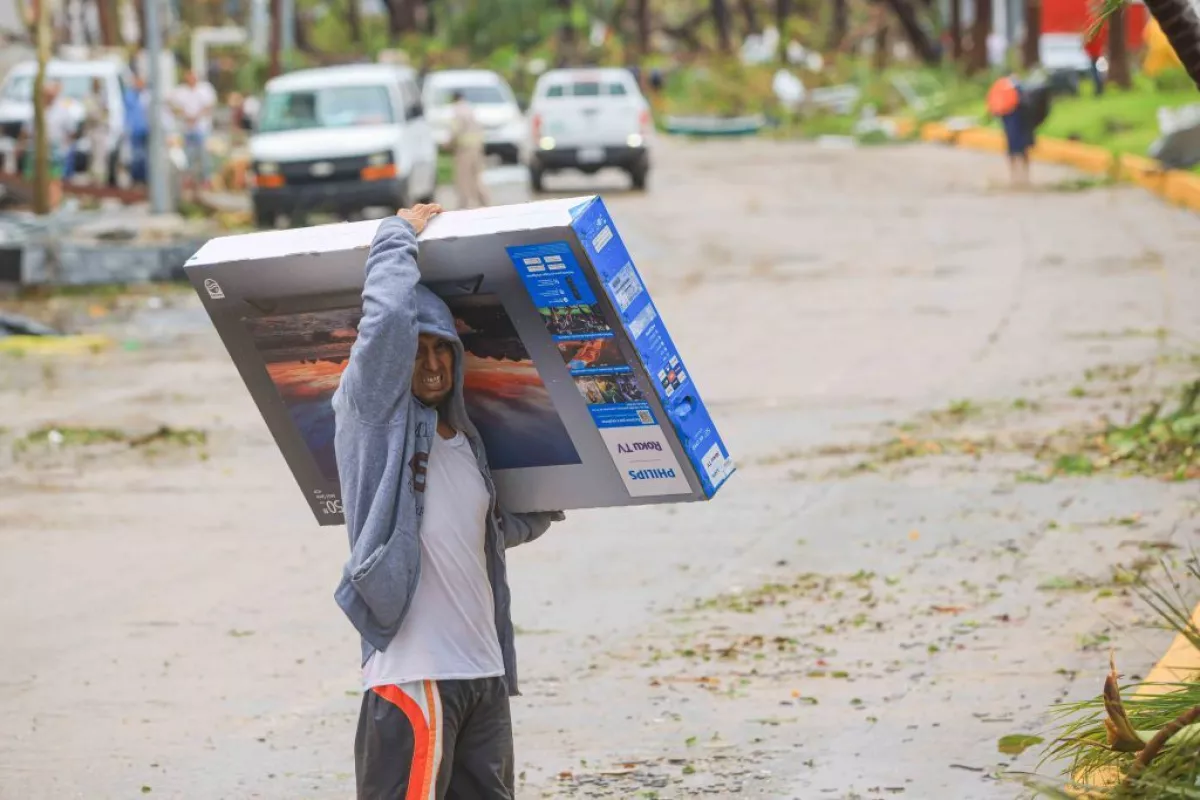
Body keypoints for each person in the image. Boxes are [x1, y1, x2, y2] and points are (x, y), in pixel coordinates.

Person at [334, 203, 563, 800]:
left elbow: (472, 533)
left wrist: (551, 505)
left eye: (443, 349)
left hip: (483, 673)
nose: (433, 363)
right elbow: (386, 319)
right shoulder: (373, 421)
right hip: (416, 677)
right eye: (418, 350)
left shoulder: (463, 442)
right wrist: (397, 235)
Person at [169, 68, 217, 189]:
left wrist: (197, 116)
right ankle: (189, 179)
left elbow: (209, 106)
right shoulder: (181, 91)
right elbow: (172, 105)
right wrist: (185, 115)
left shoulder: (205, 89)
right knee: (188, 155)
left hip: (202, 128)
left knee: (204, 155)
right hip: (187, 129)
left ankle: (205, 179)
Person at [987, 73, 1030, 187]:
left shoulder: (1003, 87)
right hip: (1017, 124)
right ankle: (1021, 175)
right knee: (1020, 148)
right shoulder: (1016, 88)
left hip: (1012, 123)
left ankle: (1016, 175)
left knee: (1014, 148)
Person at [448, 91, 489, 209]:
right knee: (476, 176)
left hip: (464, 149)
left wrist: (448, 144)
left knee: (463, 177)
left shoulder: (457, 111)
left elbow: (455, 131)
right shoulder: (470, 109)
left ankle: (465, 204)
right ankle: (484, 201)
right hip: (477, 147)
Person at [84, 77, 110, 185]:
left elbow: (106, 112)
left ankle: (100, 179)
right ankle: (93, 178)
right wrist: (100, 114)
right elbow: (91, 113)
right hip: (93, 130)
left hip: (101, 129)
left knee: (101, 155)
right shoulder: (89, 97)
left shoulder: (102, 96)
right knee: (93, 155)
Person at [124, 75, 150, 185]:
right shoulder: (130, 95)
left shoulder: (145, 95)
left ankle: (144, 177)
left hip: (145, 129)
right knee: (136, 155)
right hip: (135, 130)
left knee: (145, 155)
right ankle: (136, 177)